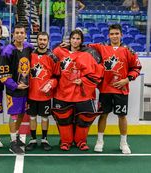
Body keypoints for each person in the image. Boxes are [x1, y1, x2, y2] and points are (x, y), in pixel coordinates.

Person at [90, 24, 142, 154]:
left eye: (116, 33)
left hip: (121, 90)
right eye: (112, 34)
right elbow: (83, 47)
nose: (114, 36)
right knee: (103, 115)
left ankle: (123, 143)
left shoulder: (128, 50)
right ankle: (100, 141)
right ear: (108, 35)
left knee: (122, 116)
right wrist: (66, 45)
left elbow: (136, 68)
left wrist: (127, 79)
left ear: (121, 35)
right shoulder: (101, 47)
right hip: (105, 90)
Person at [52, 29, 104, 151]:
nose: (75, 41)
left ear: (81, 41)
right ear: (69, 39)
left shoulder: (87, 55)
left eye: (78, 39)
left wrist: (83, 80)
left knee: (84, 119)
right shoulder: (59, 51)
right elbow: (51, 67)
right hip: (63, 93)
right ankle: (66, 142)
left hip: (82, 94)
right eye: (73, 38)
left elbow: (97, 73)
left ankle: (81, 141)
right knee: (64, 119)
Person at [0, 23, 34, 154]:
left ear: (25, 34)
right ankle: (12, 142)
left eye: (22, 33)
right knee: (14, 115)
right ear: (13, 34)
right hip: (14, 90)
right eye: (17, 33)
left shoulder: (29, 47)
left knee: (21, 113)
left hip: (26, 89)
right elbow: (2, 73)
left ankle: (16, 135)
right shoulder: (7, 50)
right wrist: (15, 85)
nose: (19, 35)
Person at [25, 32, 58, 151]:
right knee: (32, 117)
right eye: (40, 39)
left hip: (45, 95)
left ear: (48, 41)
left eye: (44, 40)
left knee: (45, 118)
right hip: (31, 93)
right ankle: (33, 139)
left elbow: (56, 76)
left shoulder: (52, 57)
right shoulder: (30, 54)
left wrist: (50, 84)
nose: (42, 42)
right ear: (37, 41)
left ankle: (44, 139)